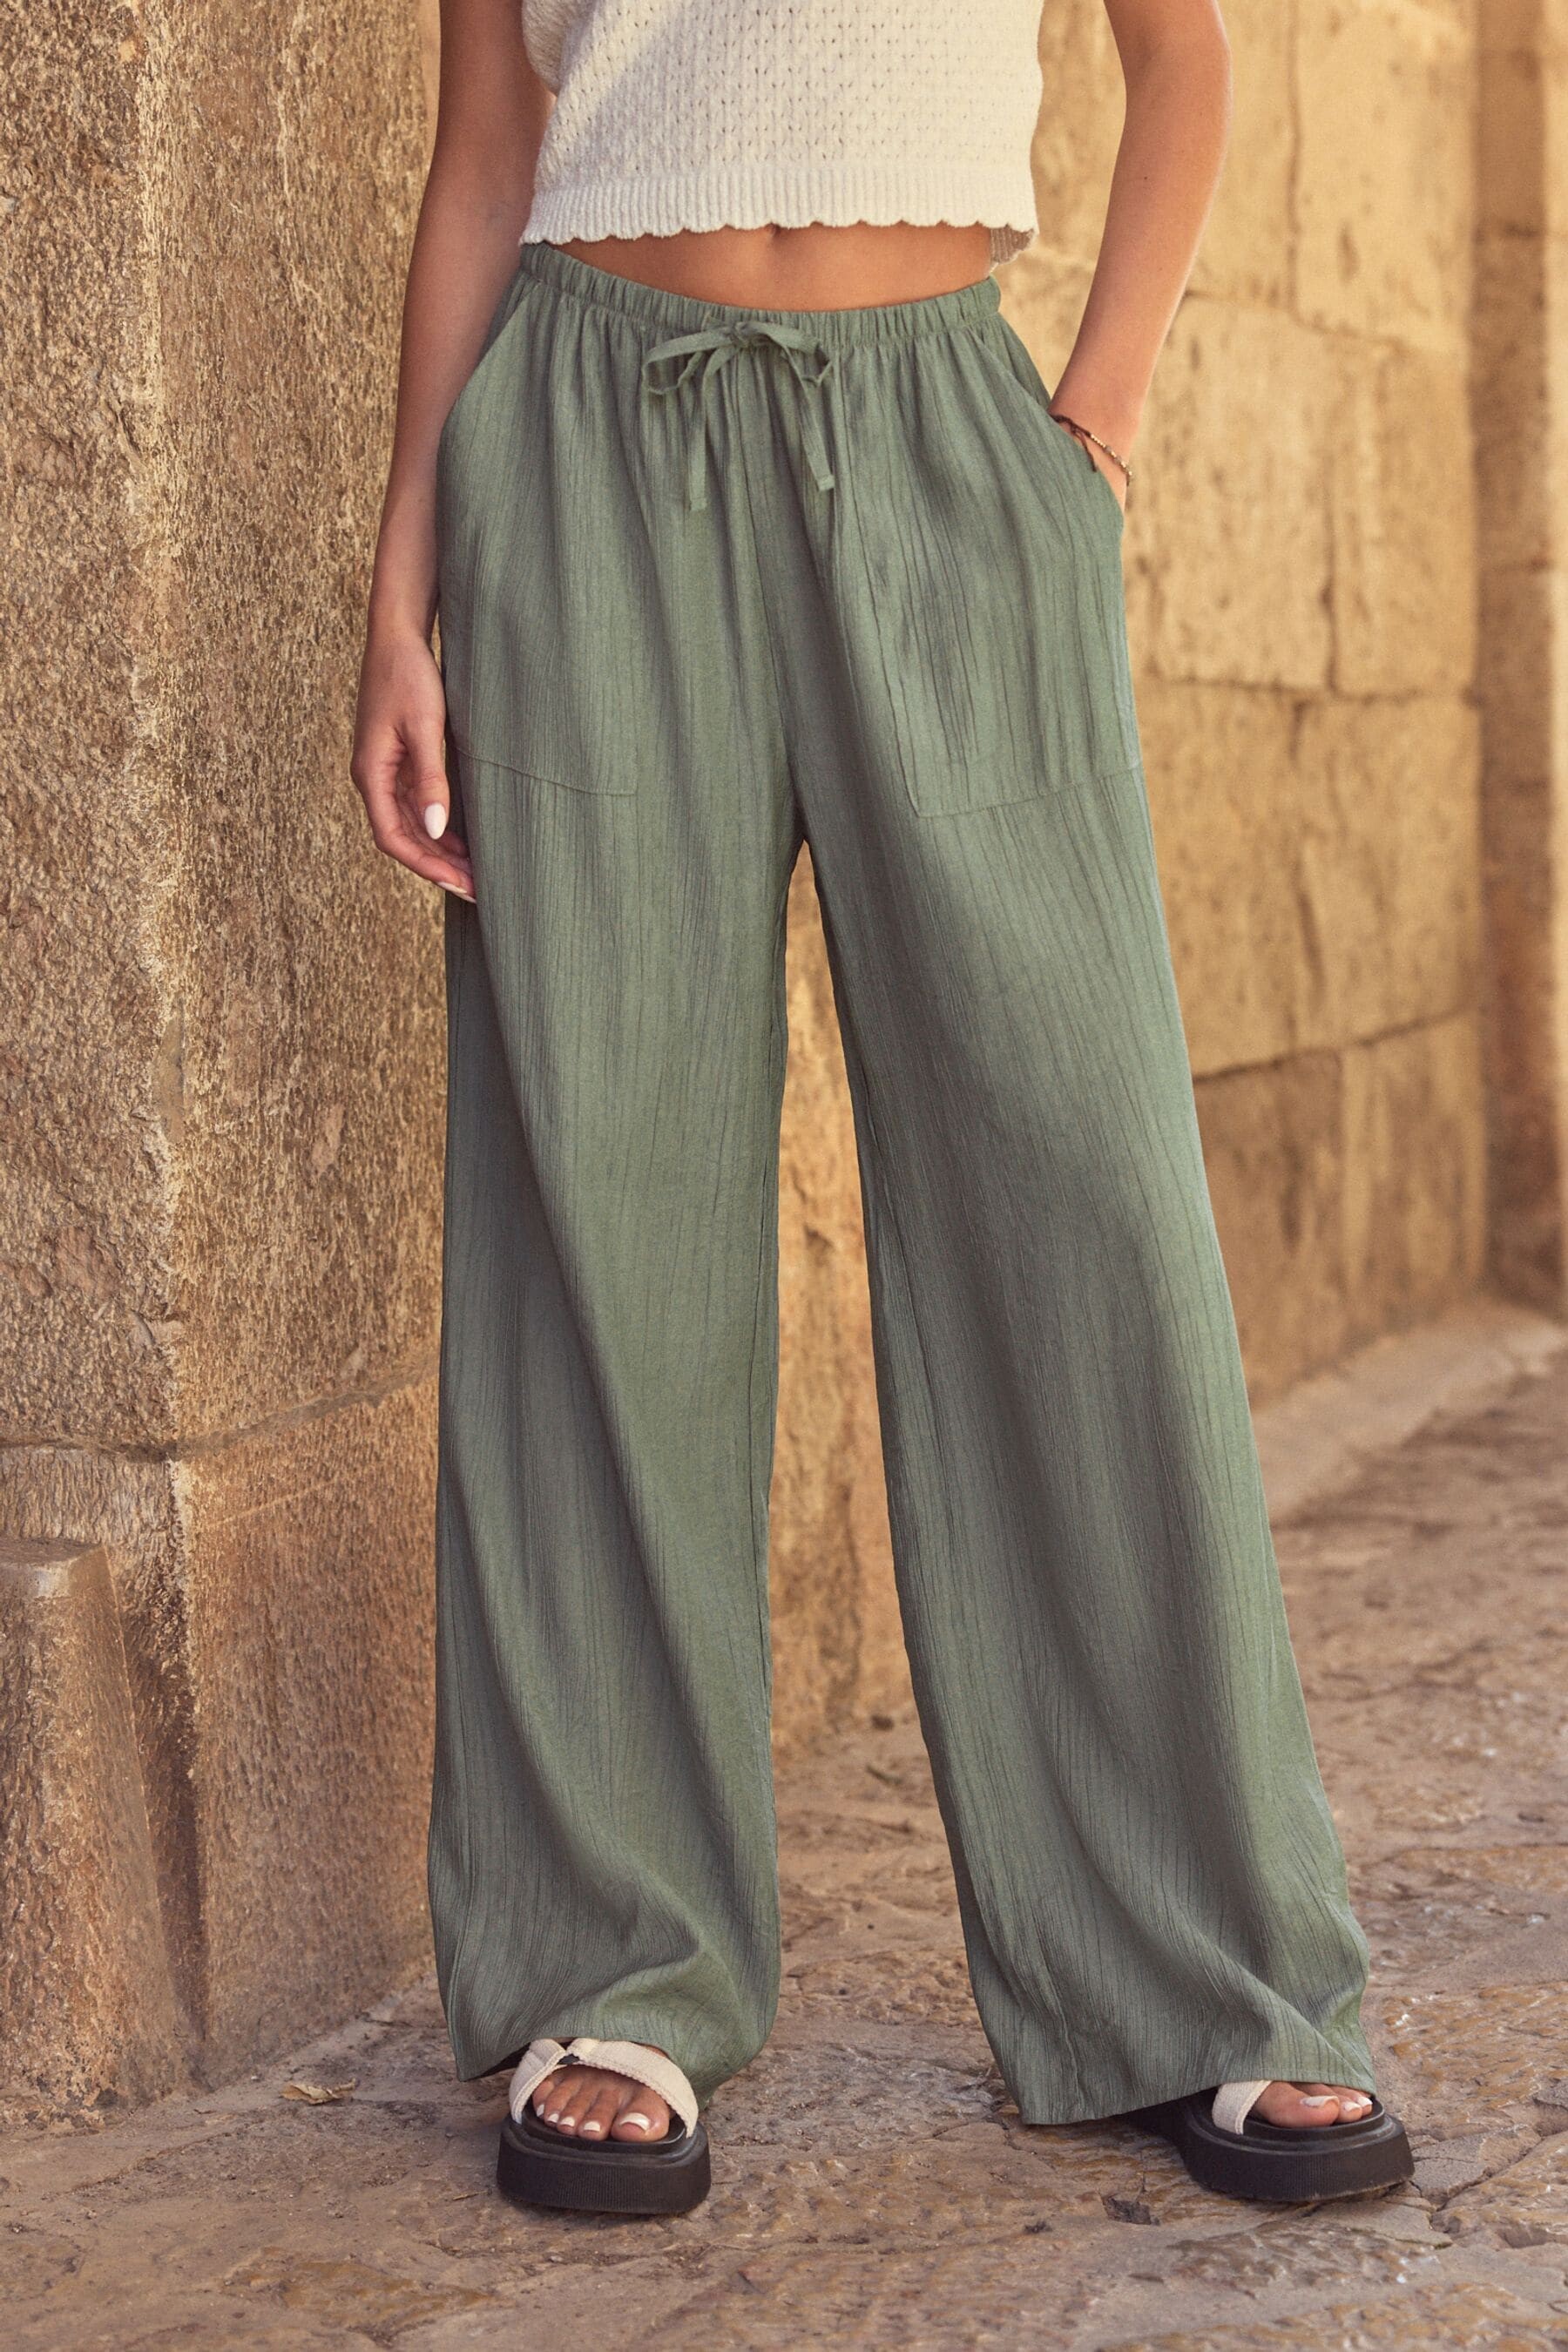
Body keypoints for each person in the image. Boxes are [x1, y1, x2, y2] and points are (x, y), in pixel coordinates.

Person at [352, 0, 1413, 2217]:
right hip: (586, 443)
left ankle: (1205, 1972)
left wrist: (1091, 422)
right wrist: (400, 588)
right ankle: (618, 1965)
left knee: (1084, 1199)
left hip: (946, 434)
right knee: (598, 1205)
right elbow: (484, 153)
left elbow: (1183, 58)